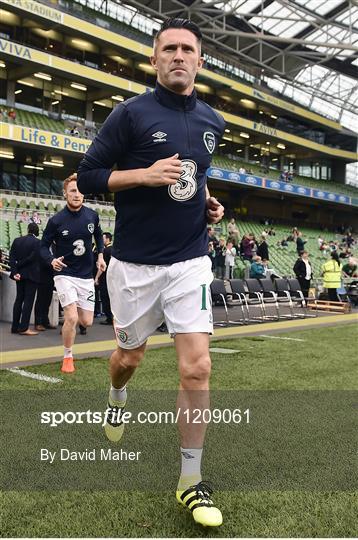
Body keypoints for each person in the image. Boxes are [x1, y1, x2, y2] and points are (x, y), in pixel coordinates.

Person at [77, 18, 225, 528]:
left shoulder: (212, 120)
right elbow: (89, 174)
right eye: (169, 49)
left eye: (188, 49)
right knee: (128, 359)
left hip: (190, 260)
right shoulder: (129, 115)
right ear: (155, 59)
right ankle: (117, 396)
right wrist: (144, 174)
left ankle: (191, 480)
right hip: (134, 266)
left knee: (197, 367)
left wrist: (208, 202)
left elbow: (197, 174)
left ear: (200, 61)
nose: (179, 56)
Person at [40, 174, 105, 373]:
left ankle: (72, 315)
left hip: (85, 275)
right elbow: (42, 246)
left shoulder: (92, 215)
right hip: (64, 273)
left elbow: (99, 237)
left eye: (80, 191)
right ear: (65, 194)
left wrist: (100, 256)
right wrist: (51, 260)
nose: (77, 195)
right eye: (73, 191)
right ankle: (68, 356)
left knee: (87, 321)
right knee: (72, 318)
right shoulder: (56, 220)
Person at [9, 223, 41, 335]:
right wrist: (19, 266)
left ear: (28, 229)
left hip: (19, 275)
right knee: (28, 301)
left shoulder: (17, 240)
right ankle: (24, 328)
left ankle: (14, 327)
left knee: (18, 300)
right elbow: (32, 258)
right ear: (36, 232)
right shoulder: (38, 243)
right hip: (32, 276)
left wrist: (15, 272)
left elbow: (11, 257)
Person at [95, 232, 113, 325]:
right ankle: (113, 317)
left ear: (107, 239)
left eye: (103, 238)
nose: (102, 240)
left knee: (105, 298)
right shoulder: (114, 249)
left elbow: (102, 268)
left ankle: (109, 318)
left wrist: (96, 278)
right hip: (113, 279)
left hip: (105, 278)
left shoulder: (105, 251)